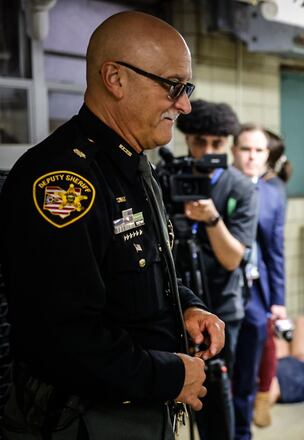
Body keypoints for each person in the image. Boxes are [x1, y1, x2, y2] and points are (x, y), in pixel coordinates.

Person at [0, 11, 225, 439]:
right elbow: (64, 338)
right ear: (115, 78)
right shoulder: (64, 181)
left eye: (186, 88)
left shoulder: (133, 165)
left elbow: (147, 272)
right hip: (82, 420)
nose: (185, 104)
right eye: (174, 86)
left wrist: (189, 306)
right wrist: (168, 377)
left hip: (137, 408)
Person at [175, 100, 259, 439]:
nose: (207, 151)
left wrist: (210, 217)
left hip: (223, 307)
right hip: (176, 304)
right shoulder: (170, 178)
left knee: (217, 396)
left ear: (227, 144)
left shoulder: (240, 187)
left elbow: (232, 258)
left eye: (216, 144)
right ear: (187, 141)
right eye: (199, 142)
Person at [229, 124, 287, 439]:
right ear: (234, 150)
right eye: (245, 149)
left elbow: (275, 249)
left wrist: (278, 299)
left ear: (268, 155)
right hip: (221, 289)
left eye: (259, 150)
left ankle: (242, 432)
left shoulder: (273, 192)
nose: (252, 157)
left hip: (256, 292)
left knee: (248, 370)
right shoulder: (219, 184)